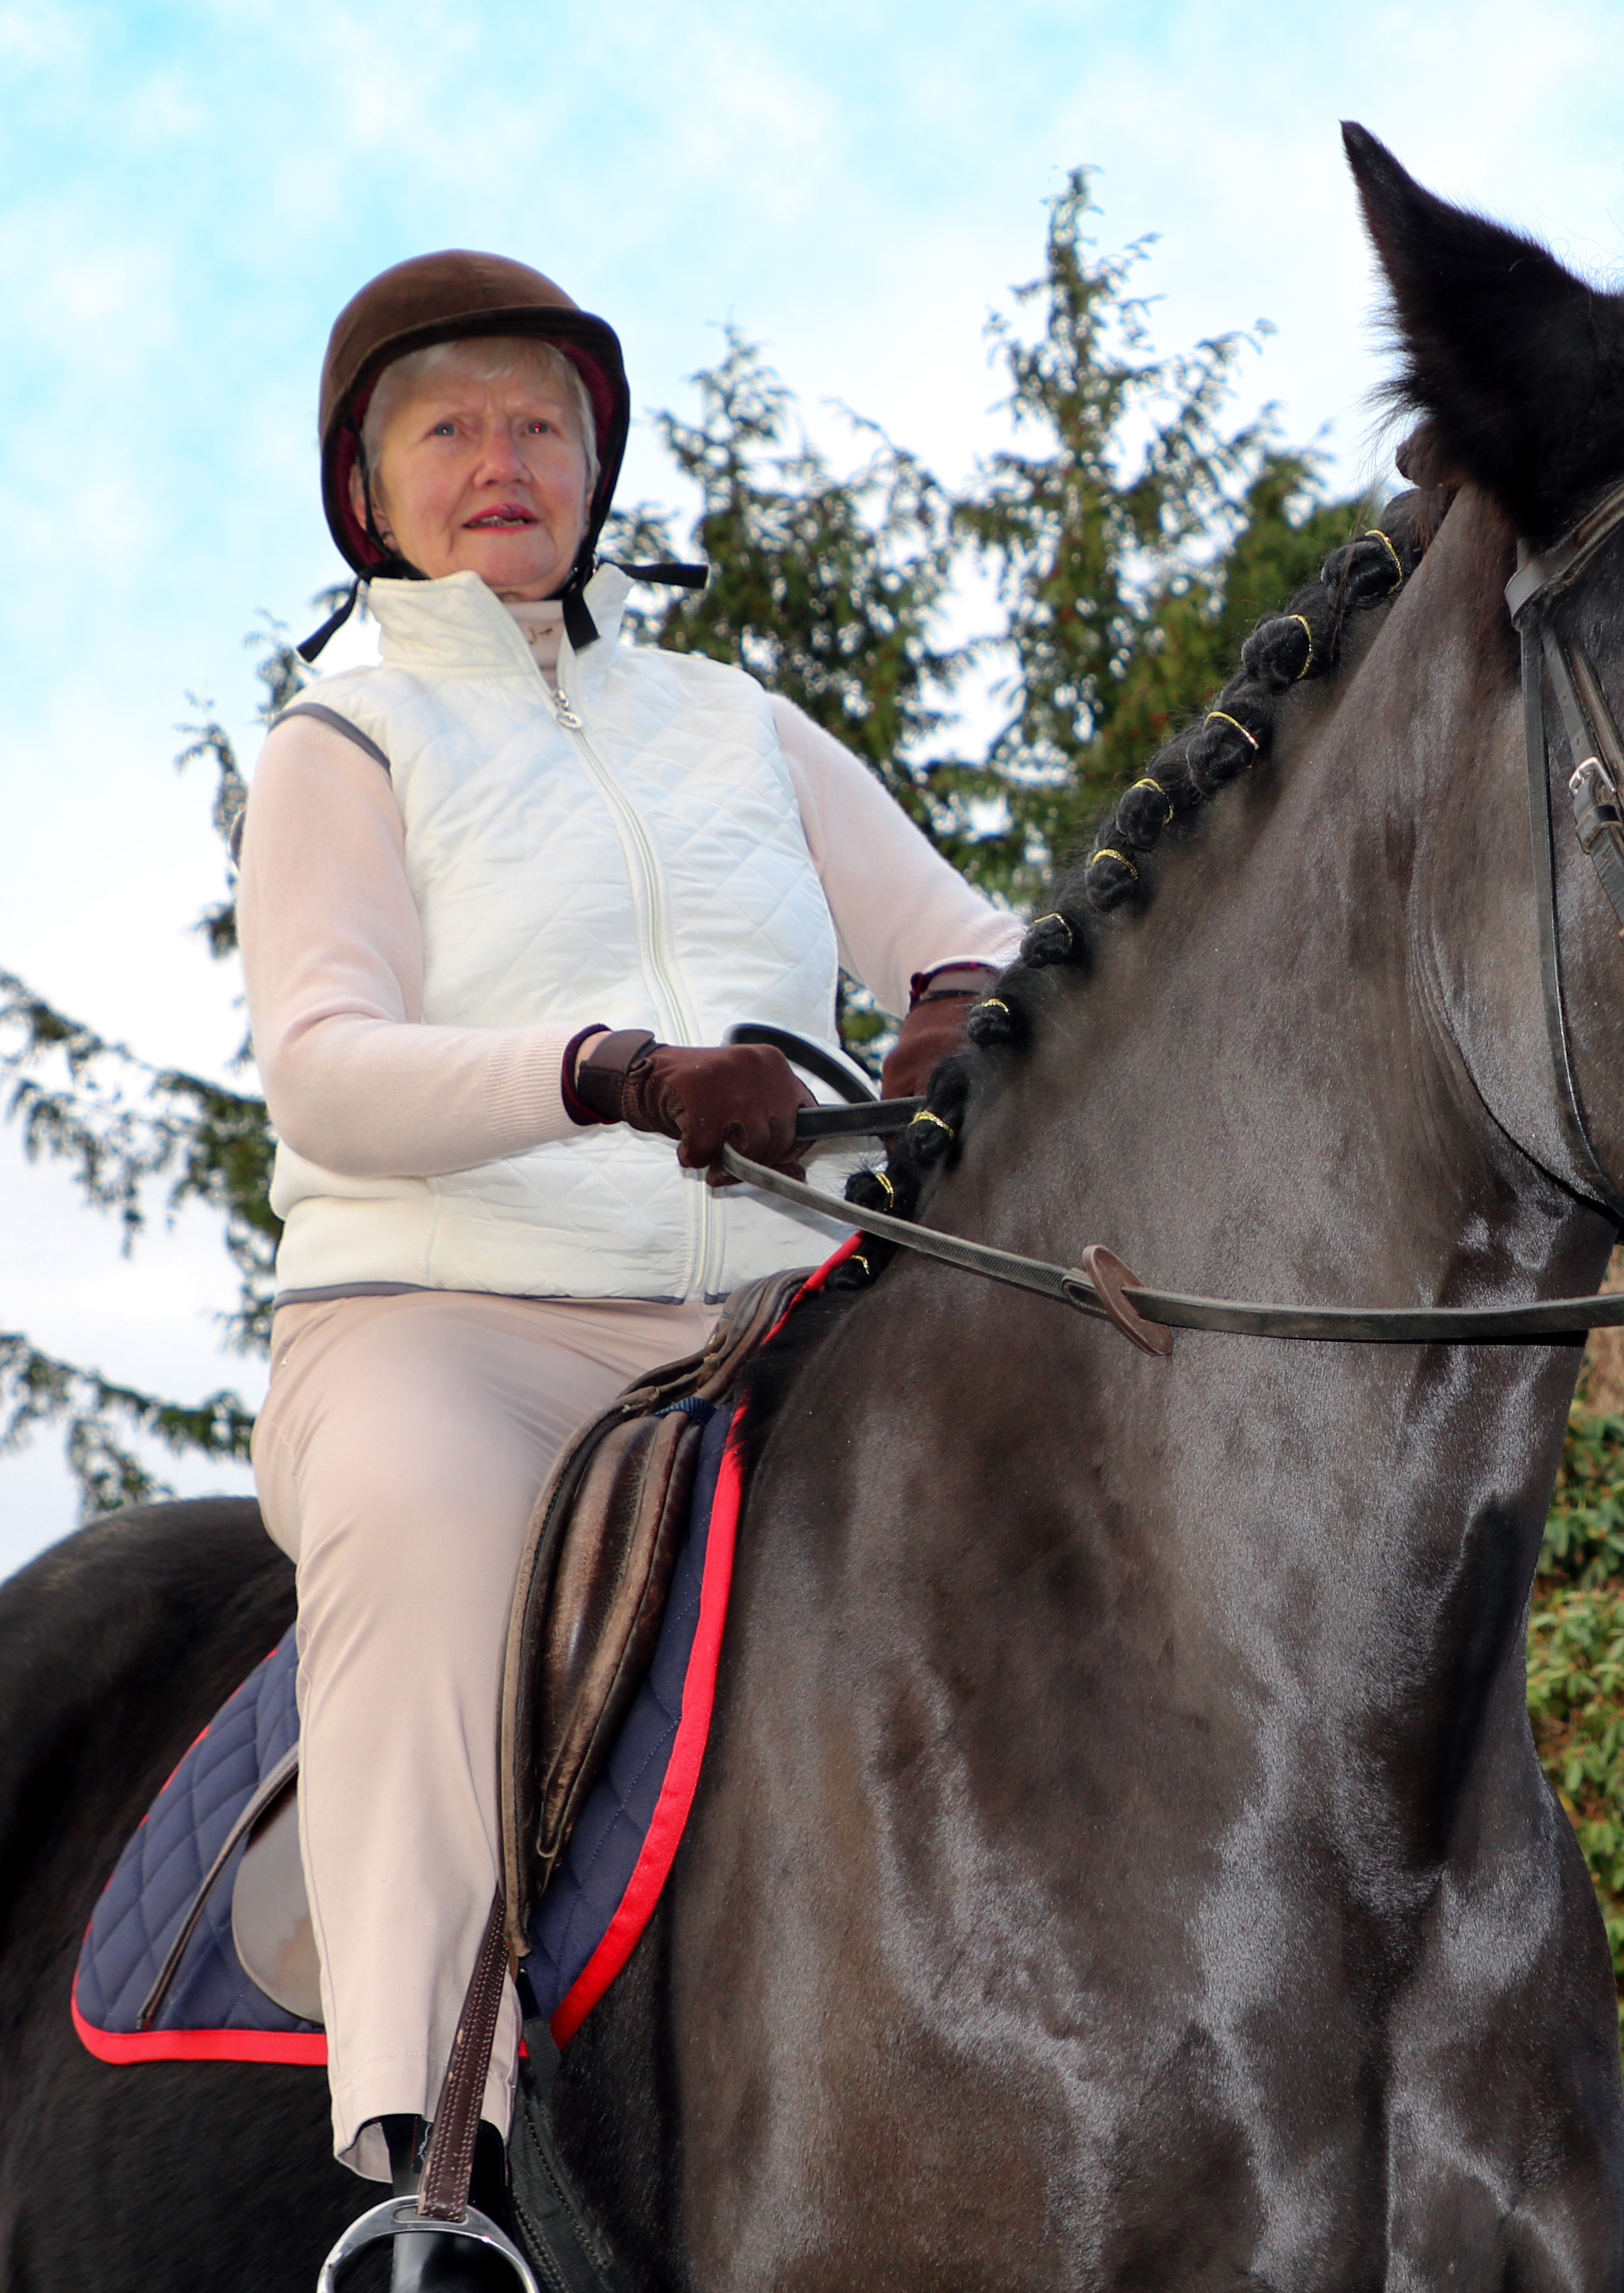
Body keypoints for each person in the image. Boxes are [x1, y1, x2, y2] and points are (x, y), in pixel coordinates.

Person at [233, 251, 1016, 2265]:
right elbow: (324, 1076)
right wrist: (608, 1073)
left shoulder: (730, 720)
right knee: (420, 1509)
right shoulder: (347, 740)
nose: (505, 459)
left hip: (776, 1313)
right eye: (451, 428)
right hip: (450, 1315)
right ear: (369, 492)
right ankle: (432, 2183)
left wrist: (954, 1008)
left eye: (542, 425)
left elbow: (973, 931)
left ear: (592, 468)